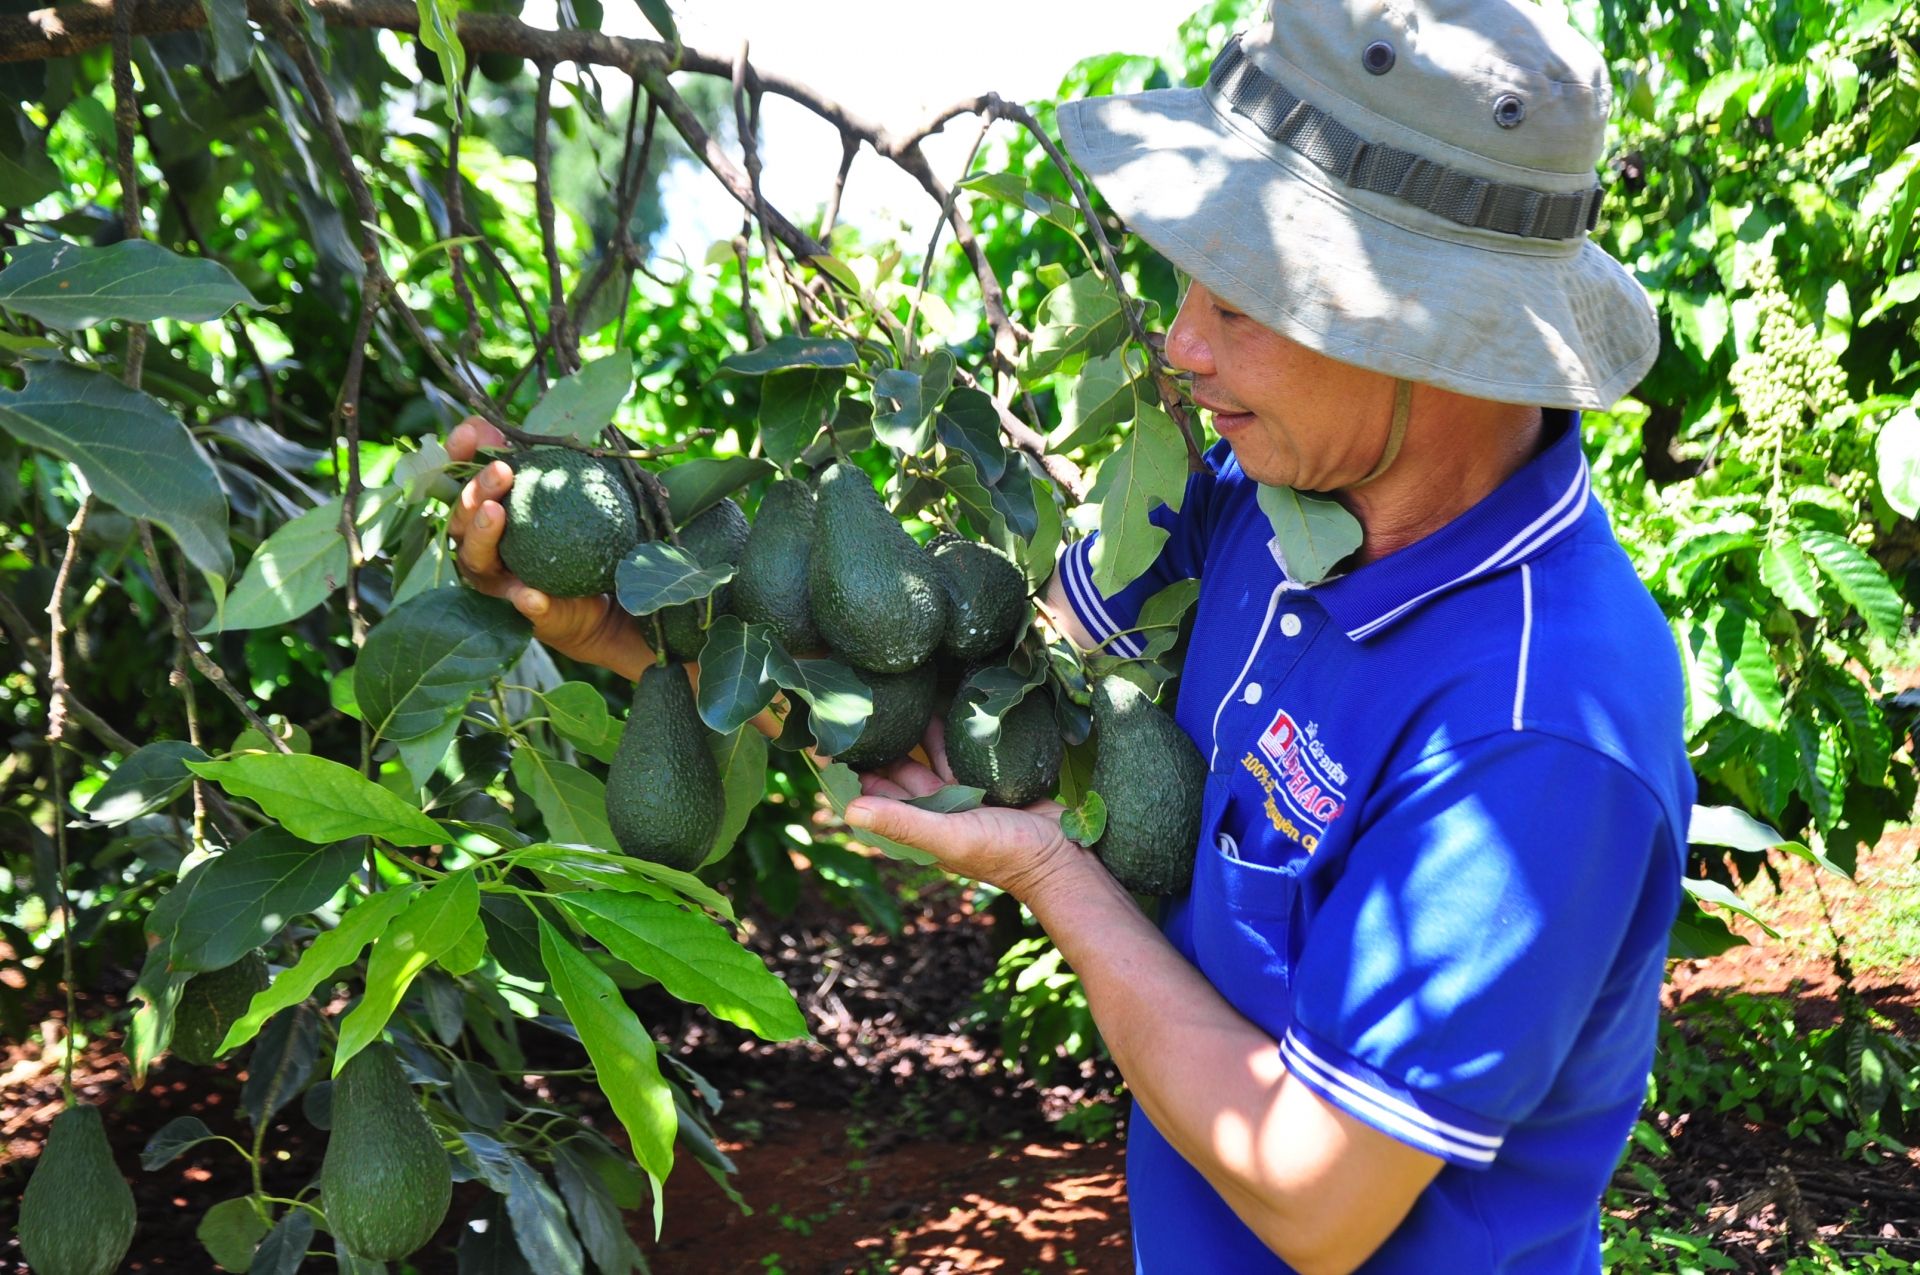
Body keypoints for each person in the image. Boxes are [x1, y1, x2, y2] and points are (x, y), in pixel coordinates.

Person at [448, 0, 1693, 1268]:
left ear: (1433, 331)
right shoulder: (1264, 497)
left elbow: (1316, 1192)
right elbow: (952, 708)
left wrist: (1057, 881)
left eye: (1248, 302)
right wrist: (636, 633)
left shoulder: (1537, 726)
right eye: (1190, 281)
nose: (1181, 344)